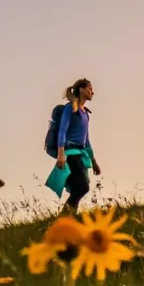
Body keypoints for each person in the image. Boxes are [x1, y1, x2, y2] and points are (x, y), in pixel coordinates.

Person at [52, 79, 101, 213]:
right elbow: (62, 130)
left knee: (78, 188)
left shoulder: (85, 113)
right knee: (82, 187)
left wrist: (94, 161)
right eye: (90, 89)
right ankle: (64, 216)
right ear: (81, 89)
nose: (93, 92)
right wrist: (61, 154)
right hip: (70, 154)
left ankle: (69, 218)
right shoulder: (70, 108)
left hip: (81, 154)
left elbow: (87, 140)